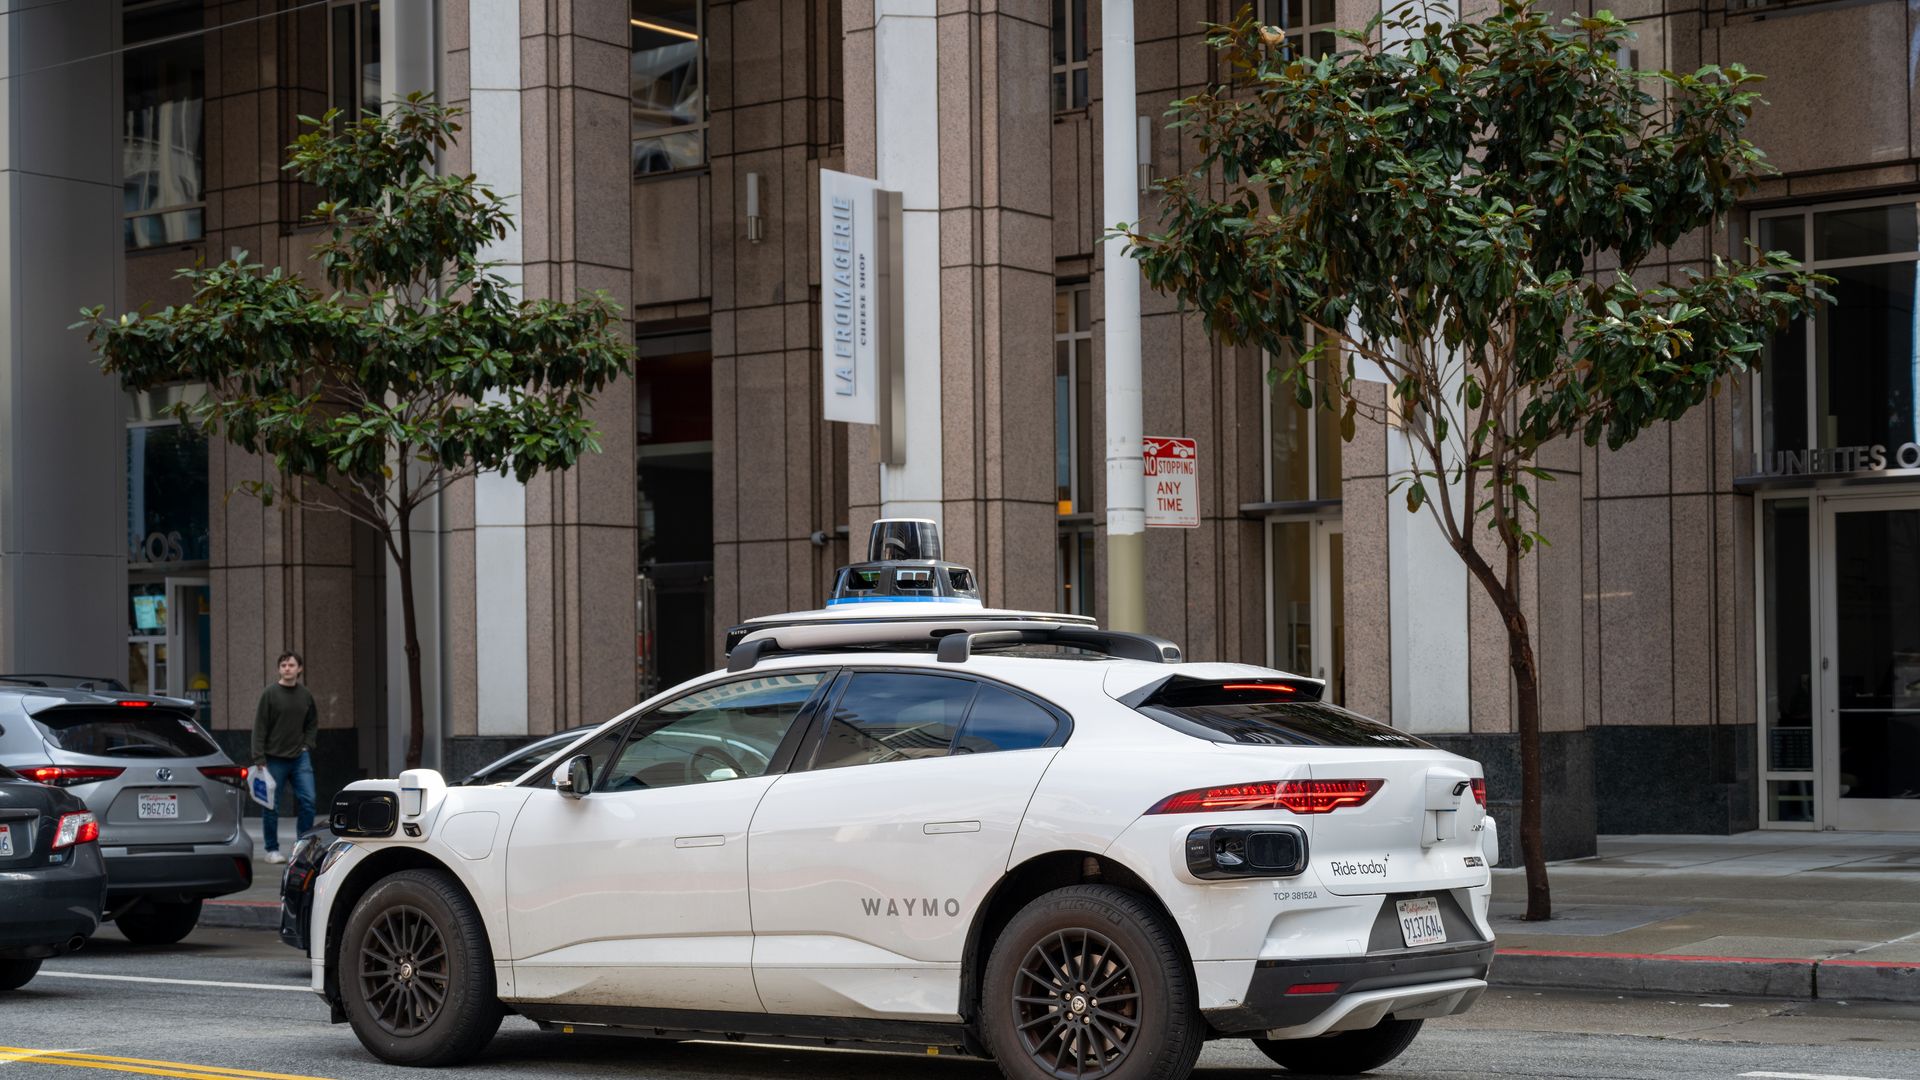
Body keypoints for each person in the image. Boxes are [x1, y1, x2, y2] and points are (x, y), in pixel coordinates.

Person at [253, 651, 318, 864]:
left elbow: (311, 723)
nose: (287, 668)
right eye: (283, 665)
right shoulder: (269, 694)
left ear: (299, 669)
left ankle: (303, 847)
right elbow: (259, 726)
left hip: (300, 758)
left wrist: (307, 745)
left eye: (291, 665)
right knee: (271, 805)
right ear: (279, 669)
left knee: (308, 800)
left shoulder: (306, 695)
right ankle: (271, 850)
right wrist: (259, 757)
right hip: (273, 758)